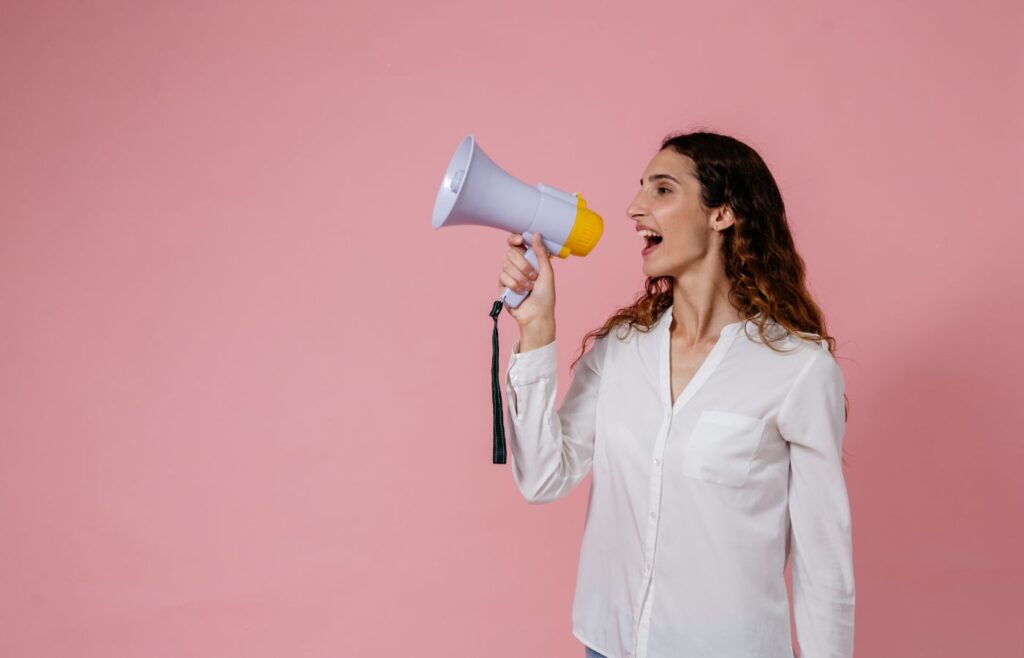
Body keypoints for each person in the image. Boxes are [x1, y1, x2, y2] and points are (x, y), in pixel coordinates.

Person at [498, 131, 855, 658]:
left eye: (662, 190)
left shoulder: (798, 370)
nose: (634, 208)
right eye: (641, 189)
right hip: (609, 644)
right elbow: (543, 477)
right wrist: (536, 328)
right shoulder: (620, 351)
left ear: (722, 214)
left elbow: (823, 565)